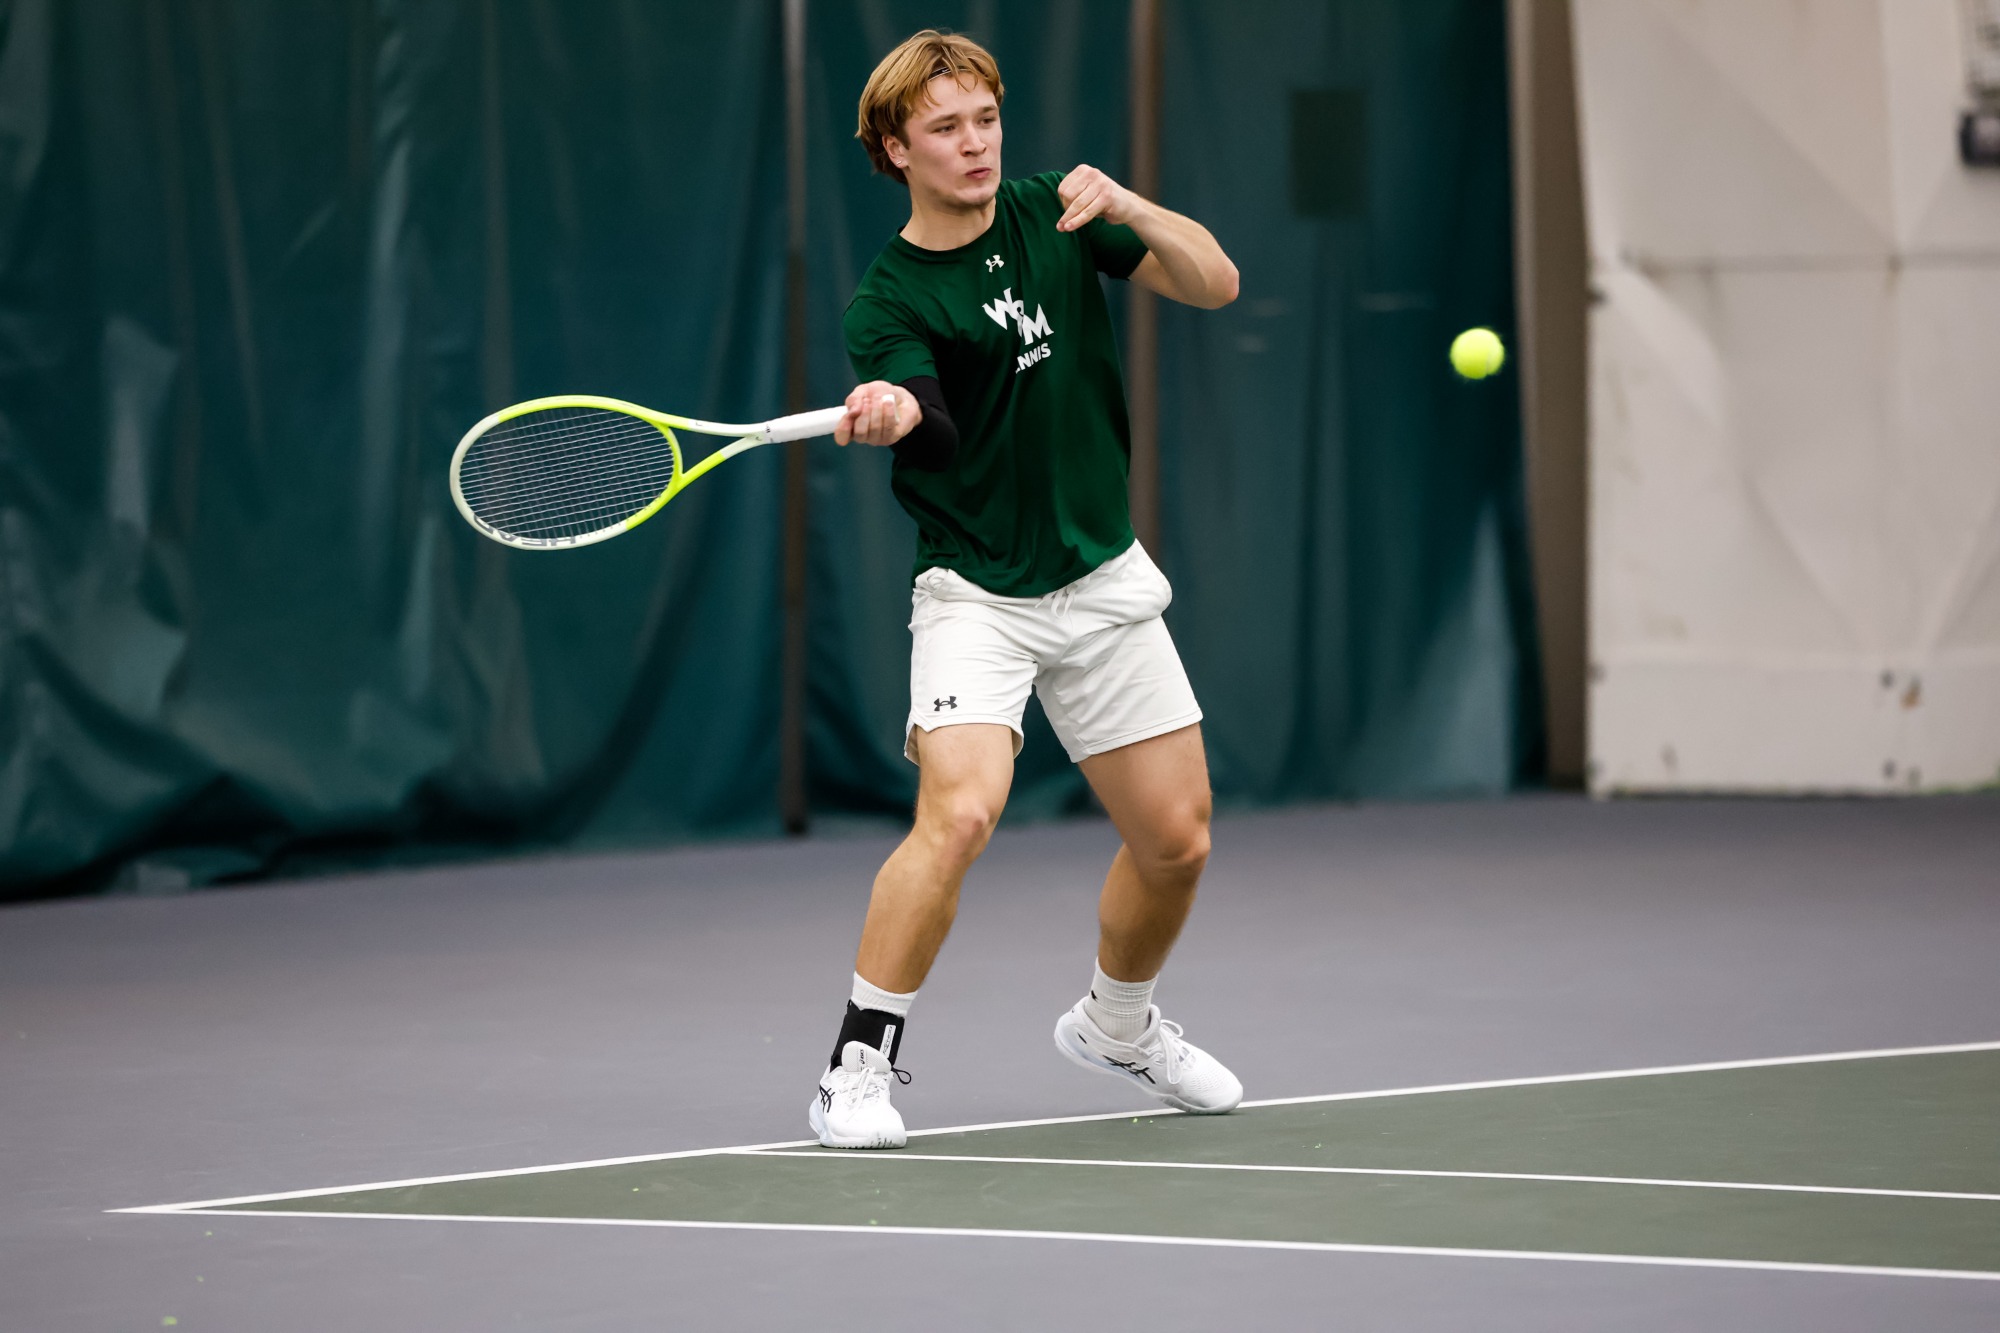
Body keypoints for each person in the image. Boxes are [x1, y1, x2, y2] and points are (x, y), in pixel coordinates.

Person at [813, 29, 1242, 1149]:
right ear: (894, 148)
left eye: (986, 120)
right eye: (945, 128)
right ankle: (857, 1064)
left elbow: (1215, 281)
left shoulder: (1057, 213)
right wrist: (898, 411)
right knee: (958, 814)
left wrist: (1134, 205)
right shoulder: (888, 299)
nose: (974, 146)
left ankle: (1116, 1026)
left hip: (1099, 575)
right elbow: (933, 416)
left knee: (1177, 841)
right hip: (978, 594)